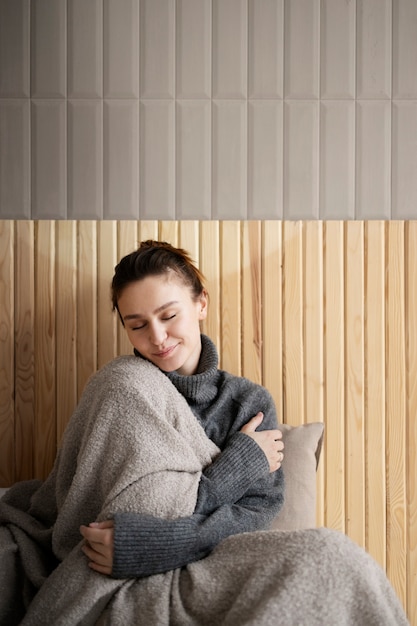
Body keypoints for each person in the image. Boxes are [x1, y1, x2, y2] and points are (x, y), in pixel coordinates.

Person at [80, 240, 285, 578]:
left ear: (201, 303)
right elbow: (113, 501)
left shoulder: (248, 403)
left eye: (169, 315)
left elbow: (257, 512)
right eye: (137, 325)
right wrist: (232, 471)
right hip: (103, 558)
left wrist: (158, 544)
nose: (158, 337)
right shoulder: (121, 388)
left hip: (214, 567)